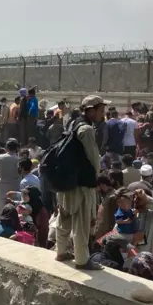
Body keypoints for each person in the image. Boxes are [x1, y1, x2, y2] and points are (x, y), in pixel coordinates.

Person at [55, 95, 104, 271]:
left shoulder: (72, 123)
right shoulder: (87, 130)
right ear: (91, 110)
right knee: (82, 222)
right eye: (100, 109)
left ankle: (61, 251)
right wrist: (96, 176)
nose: (103, 113)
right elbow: (94, 159)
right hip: (81, 184)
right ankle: (82, 260)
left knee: (65, 217)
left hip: (67, 181)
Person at [0, 139, 21, 216]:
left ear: (6, 148)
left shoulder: (0, 157)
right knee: (16, 207)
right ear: (16, 148)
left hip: (3, 184)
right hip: (16, 184)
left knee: (3, 207)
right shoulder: (19, 159)